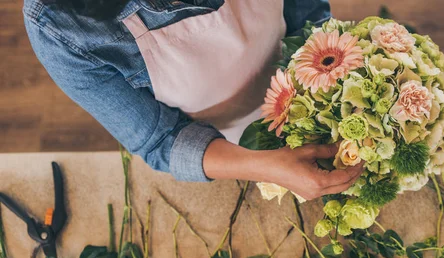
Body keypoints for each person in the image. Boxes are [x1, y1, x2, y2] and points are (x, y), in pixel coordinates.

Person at [23, 0, 363, 200]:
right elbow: (160, 140)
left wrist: (327, 72)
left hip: (305, 87)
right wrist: (263, 167)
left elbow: (307, 11)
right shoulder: (58, 25)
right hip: (225, 149)